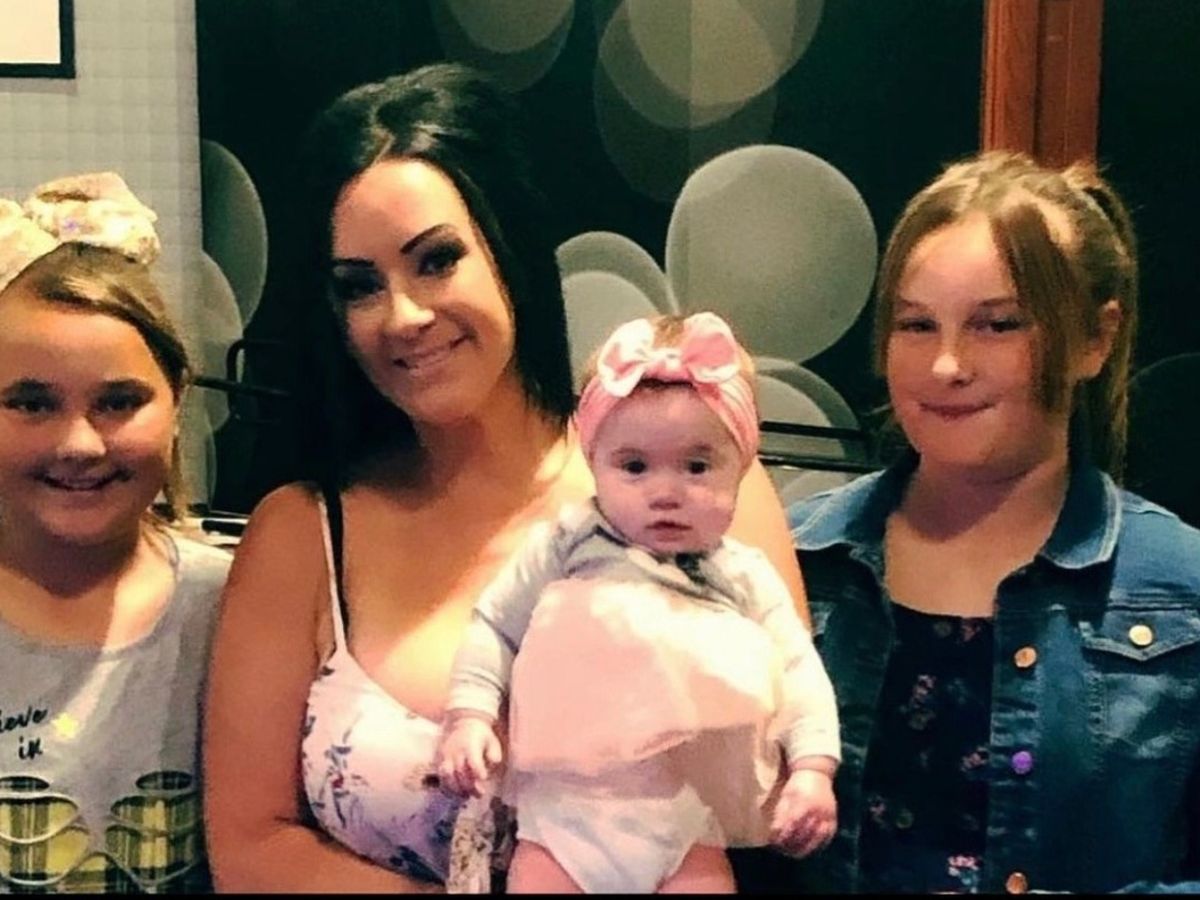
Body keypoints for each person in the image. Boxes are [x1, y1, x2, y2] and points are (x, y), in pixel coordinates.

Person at [202, 62, 809, 893]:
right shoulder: (303, 534)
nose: (403, 315)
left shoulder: (699, 499)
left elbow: (777, 798)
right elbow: (250, 847)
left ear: (510, 246)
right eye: (359, 287)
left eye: (436, 260)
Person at [787, 150, 1200, 893]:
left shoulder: (1182, 591)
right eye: (916, 324)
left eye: (997, 324)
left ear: (1095, 339)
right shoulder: (791, 564)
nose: (946, 365)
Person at [436, 311, 841, 893]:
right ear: (594, 464)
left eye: (697, 466)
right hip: (562, 819)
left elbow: (800, 668)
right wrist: (470, 715)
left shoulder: (742, 576)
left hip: (688, 821)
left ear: (741, 468)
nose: (666, 492)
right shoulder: (566, 545)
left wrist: (812, 768)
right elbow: (495, 624)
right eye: (634, 466)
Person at [0, 173, 231, 893]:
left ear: (177, 399)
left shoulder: (238, 608)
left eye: (119, 401)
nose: (79, 443)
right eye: (30, 402)